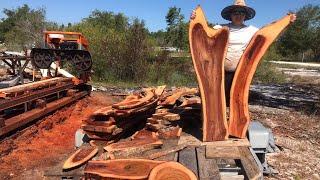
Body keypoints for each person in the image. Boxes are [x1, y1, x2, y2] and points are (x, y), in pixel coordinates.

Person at [190, 0, 296, 105]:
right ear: (230, 15)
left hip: (241, 73)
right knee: (216, 101)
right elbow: (203, 34)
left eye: (241, 13)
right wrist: (194, 18)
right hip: (219, 72)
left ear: (245, 15)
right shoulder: (220, 28)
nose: (238, 15)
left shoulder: (252, 30)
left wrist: (286, 24)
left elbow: (271, 35)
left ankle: (234, 121)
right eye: (235, 12)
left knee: (236, 101)